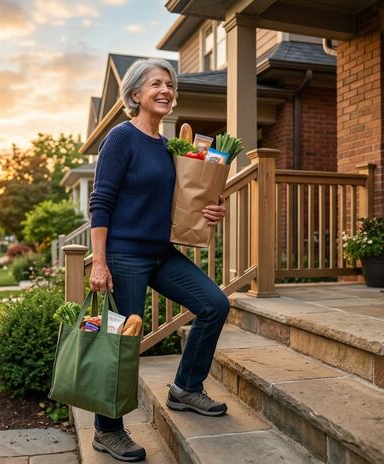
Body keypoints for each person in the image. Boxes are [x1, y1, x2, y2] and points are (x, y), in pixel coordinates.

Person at [88, 58, 230, 462]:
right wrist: (99, 262)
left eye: (169, 83)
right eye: (156, 83)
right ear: (135, 94)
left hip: (161, 253)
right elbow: (100, 202)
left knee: (214, 304)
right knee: (121, 341)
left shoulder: (170, 148)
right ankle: (107, 430)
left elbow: (186, 198)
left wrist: (212, 208)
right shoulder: (121, 138)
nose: (165, 89)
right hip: (123, 255)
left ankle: (186, 387)